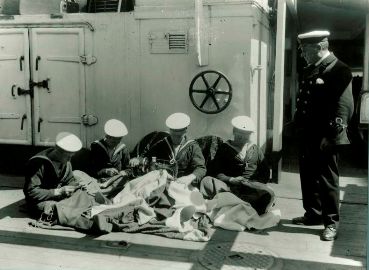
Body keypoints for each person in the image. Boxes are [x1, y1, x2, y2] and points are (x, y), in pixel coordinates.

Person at [292, 30, 354, 241]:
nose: (302, 54)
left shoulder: (339, 69)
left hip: (325, 136)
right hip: (308, 134)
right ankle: (313, 214)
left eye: (304, 50)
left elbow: (344, 108)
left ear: (319, 47)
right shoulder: (313, 69)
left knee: (327, 180)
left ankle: (331, 223)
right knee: (308, 176)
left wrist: (333, 136)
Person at [200, 116, 273, 215]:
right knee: (207, 181)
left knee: (267, 193)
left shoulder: (255, 149)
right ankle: (241, 203)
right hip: (228, 186)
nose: (242, 138)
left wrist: (254, 183)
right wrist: (231, 179)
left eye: (246, 135)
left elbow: (265, 172)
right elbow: (216, 171)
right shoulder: (225, 148)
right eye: (240, 135)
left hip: (251, 187)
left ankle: (236, 203)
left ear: (250, 135)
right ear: (234, 132)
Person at [129, 112, 206, 188]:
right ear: (170, 131)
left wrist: (190, 177)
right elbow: (148, 157)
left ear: (185, 131)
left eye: (179, 136)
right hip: (163, 184)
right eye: (173, 135)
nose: (175, 139)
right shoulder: (162, 144)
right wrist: (138, 159)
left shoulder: (192, 147)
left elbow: (201, 168)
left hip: (182, 186)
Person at [23, 132, 83, 216]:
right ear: (58, 151)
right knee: (65, 212)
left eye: (71, 157)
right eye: (68, 156)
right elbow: (31, 192)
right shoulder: (38, 163)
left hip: (58, 197)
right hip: (40, 201)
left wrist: (73, 186)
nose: (69, 160)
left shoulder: (65, 162)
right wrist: (59, 191)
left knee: (83, 200)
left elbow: (70, 180)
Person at [90, 119, 131, 197]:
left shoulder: (122, 148)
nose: (116, 144)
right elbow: (91, 170)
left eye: (119, 140)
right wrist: (104, 171)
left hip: (116, 181)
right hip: (100, 181)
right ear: (107, 136)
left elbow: (128, 169)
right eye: (113, 141)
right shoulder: (96, 147)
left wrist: (124, 172)